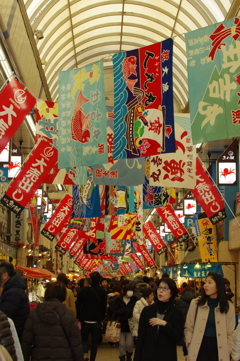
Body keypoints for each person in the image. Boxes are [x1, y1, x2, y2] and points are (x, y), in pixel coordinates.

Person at [21, 281, 83, 361]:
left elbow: (26, 341)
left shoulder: (35, 312)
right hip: (63, 356)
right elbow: (76, 343)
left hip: (40, 356)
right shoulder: (69, 314)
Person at [184, 272, 235, 361]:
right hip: (198, 347)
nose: (205, 285)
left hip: (219, 349)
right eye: (205, 282)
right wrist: (189, 342)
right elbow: (189, 327)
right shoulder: (196, 303)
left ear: (218, 286)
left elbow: (230, 332)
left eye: (210, 282)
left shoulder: (228, 306)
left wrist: (228, 349)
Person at [134, 277, 184, 361]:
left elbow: (178, 337)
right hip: (148, 356)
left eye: (165, 288)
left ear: (171, 293)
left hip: (166, 356)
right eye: (159, 287)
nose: (161, 291)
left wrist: (165, 324)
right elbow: (141, 338)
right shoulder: (147, 311)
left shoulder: (177, 313)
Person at [76, 271, 107, 361]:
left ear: (90, 280)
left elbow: (78, 303)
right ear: (100, 280)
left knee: (84, 339)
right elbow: (103, 306)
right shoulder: (102, 291)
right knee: (94, 342)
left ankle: (85, 353)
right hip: (96, 320)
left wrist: (79, 315)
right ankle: (92, 358)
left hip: (85, 319)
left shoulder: (84, 290)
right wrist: (101, 317)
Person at [0, 262, 29, 340]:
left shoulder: (13, 292)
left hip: (12, 336)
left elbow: (4, 318)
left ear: (5, 275)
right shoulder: (12, 288)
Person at [112, 283, 138, 361]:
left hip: (131, 325)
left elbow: (135, 311)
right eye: (129, 290)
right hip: (120, 324)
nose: (130, 292)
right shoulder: (118, 299)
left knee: (129, 344)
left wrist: (125, 311)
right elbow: (115, 311)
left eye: (131, 290)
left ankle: (129, 355)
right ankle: (122, 356)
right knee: (121, 344)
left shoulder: (135, 299)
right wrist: (126, 311)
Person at [175, 285, 196, 360]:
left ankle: (186, 355)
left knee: (185, 338)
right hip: (192, 324)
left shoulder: (179, 301)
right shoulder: (195, 302)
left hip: (182, 324)